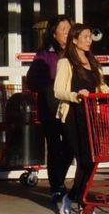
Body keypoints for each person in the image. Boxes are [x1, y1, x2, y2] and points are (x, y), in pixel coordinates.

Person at [53, 22, 105, 214]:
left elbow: (100, 86)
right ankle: (85, 206)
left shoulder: (92, 62)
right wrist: (76, 95)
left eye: (90, 37)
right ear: (74, 40)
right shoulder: (65, 63)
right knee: (83, 159)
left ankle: (71, 196)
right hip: (73, 116)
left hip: (91, 116)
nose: (89, 40)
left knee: (92, 160)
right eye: (85, 37)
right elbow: (58, 91)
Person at [24, 15, 73, 201]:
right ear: (54, 33)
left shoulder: (75, 52)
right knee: (54, 147)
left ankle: (59, 180)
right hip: (50, 109)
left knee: (70, 145)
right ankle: (56, 186)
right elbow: (32, 81)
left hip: (71, 108)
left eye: (69, 29)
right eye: (63, 29)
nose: (67, 33)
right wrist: (51, 87)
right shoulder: (44, 55)